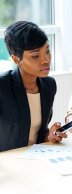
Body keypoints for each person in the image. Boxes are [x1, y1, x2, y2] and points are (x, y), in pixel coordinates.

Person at [0, 21, 67, 152]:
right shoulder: (2, 86)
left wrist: (50, 136)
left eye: (47, 51)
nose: (46, 60)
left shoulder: (49, 85)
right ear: (16, 59)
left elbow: (38, 134)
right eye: (35, 56)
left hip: (37, 157)